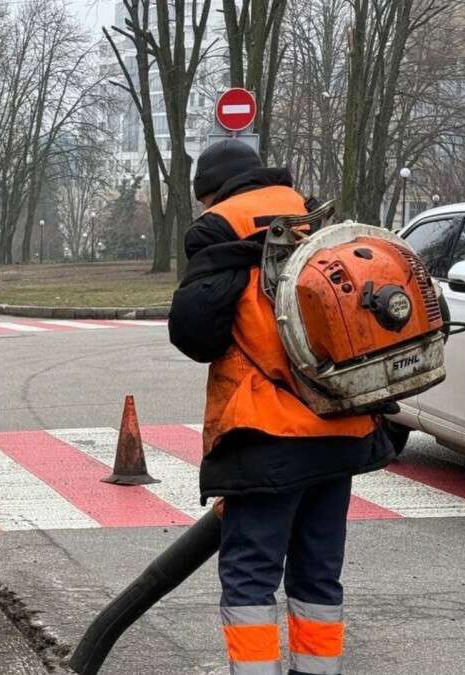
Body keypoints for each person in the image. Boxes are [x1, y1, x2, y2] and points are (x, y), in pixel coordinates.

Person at [168, 139, 393, 675]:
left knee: (251, 576)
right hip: (340, 426)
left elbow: (195, 334)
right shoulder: (313, 216)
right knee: (318, 576)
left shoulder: (218, 228)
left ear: (208, 194)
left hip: (266, 430)